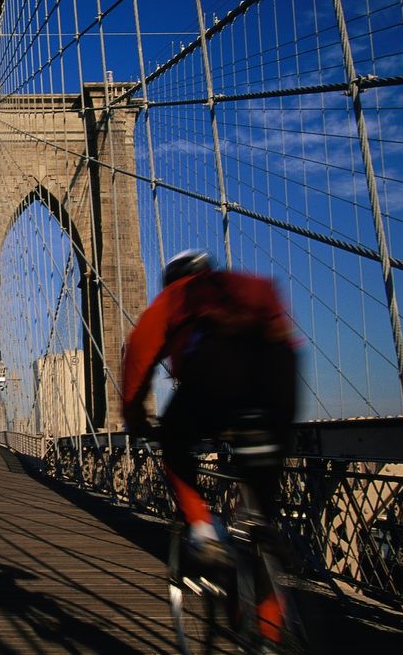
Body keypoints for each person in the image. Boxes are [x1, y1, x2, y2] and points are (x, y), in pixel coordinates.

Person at [121, 250, 298, 643]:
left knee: (174, 442)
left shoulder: (177, 296)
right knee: (259, 513)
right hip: (280, 378)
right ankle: (271, 630)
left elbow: (136, 356)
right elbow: (285, 335)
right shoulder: (241, 288)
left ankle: (202, 530)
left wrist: (135, 419)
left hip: (217, 375)